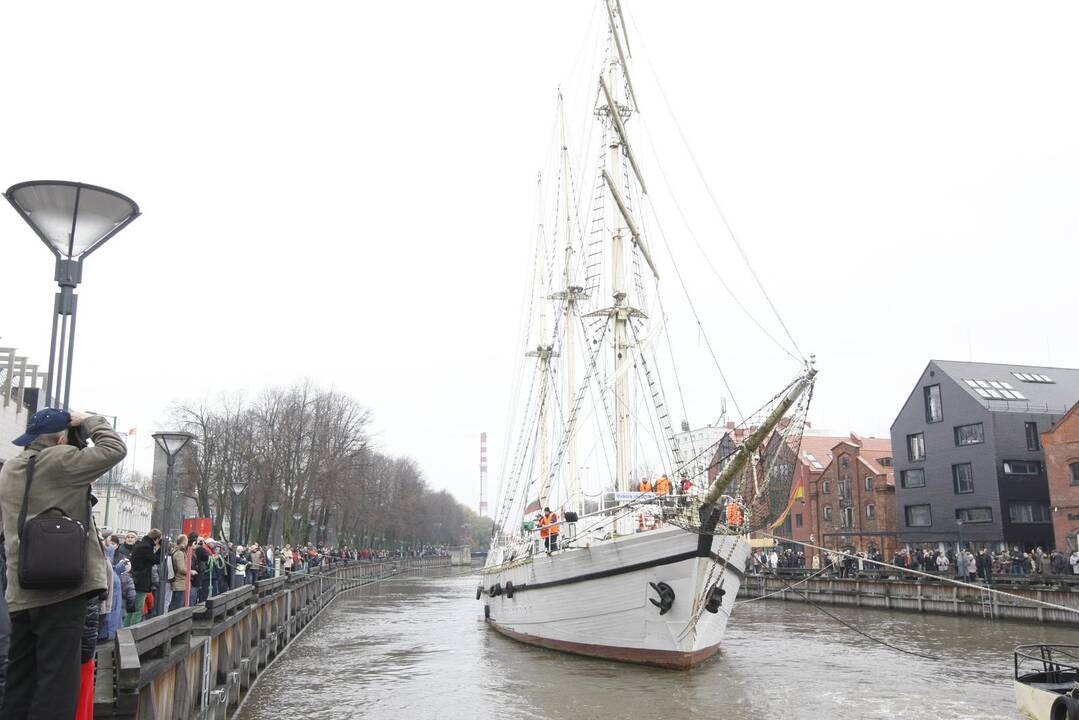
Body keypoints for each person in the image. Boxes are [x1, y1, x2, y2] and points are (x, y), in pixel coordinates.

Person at [0, 408, 125, 719]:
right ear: (61, 437)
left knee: (20, 680)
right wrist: (91, 420)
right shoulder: (61, 460)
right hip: (62, 589)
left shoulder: (11, 468)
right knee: (58, 683)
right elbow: (114, 449)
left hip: (21, 590)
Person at [127, 529, 161, 626]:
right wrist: (160, 548)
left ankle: (125, 631)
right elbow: (156, 560)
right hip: (141, 582)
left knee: (131, 611)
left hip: (136, 580)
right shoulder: (146, 547)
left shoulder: (142, 544)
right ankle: (132, 633)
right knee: (138, 610)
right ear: (157, 539)